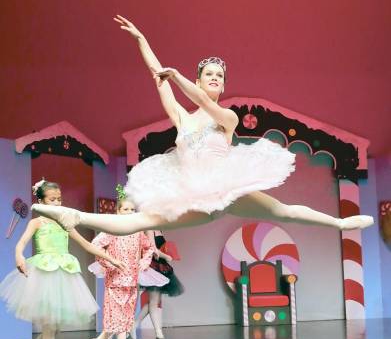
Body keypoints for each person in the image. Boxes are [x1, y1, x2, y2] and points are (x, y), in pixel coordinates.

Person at [31, 16, 374, 238]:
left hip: (227, 188)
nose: (214, 79)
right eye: (209, 74)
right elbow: (159, 81)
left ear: (222, 86)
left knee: (283, 211)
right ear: (199, 79)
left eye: (219, 76)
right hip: (194, 195)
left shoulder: (227, 117)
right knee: (141, 221)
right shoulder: (182, 118)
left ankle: (340, 223)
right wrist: (141, 41)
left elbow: (203, 100)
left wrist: (178, 76)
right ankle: (74, 216)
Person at [0, 179, 125, 339]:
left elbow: (86, 245)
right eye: (52, 199)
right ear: (40, 201)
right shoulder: (36, 222)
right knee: (50, 330)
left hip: (63, 276)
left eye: (59, 199)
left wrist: (111, 258)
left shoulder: (64, 223)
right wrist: (18, 255)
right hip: (45, 276)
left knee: (51, 330)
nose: (57, 203)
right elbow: (21, 243)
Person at [88, 187, 167, 339]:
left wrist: (143, 263)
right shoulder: (111, 230)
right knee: (116, 315)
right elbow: (95, 246)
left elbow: (149, 249)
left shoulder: (138, 232)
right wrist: (110, 263)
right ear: (117, 211)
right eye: (125, 209)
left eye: (132, 210)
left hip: (132, 280)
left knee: (126, 316)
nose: (130, 212)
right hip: (115, 279)